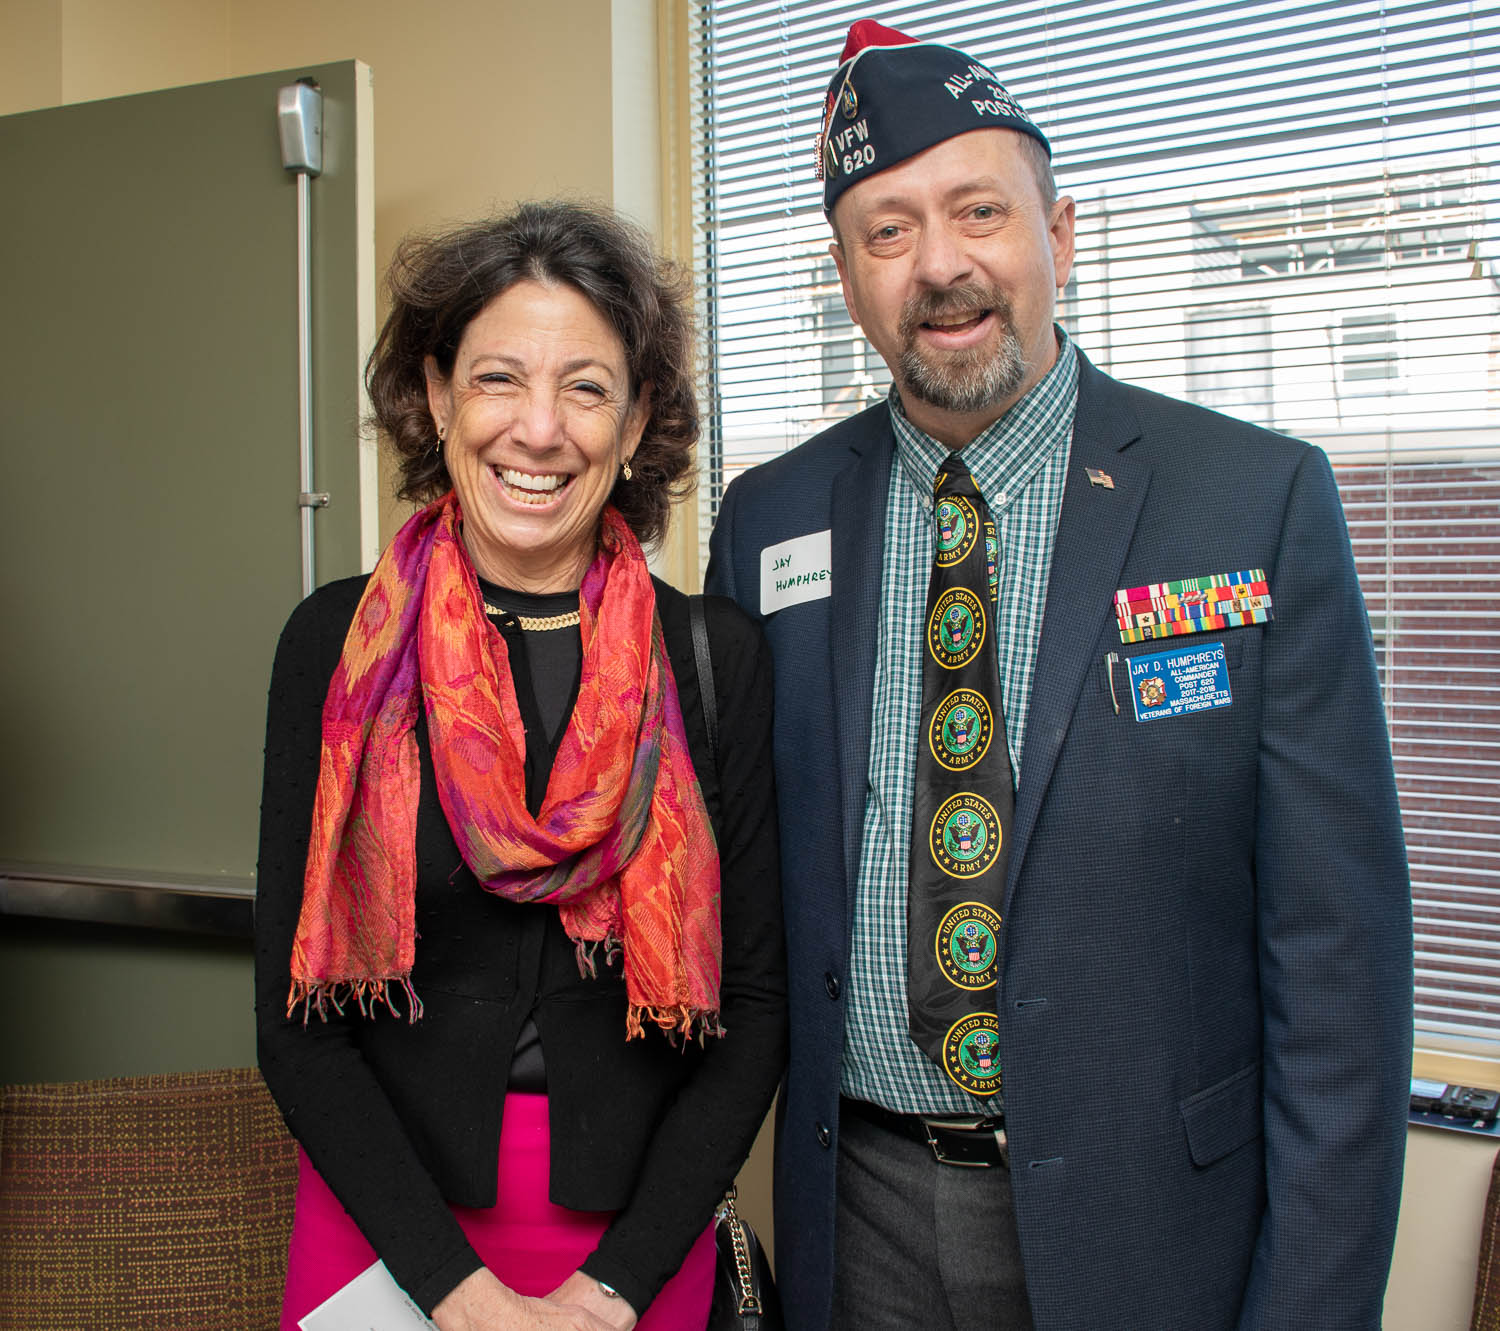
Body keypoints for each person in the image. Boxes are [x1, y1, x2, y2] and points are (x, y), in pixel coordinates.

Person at [706, 19, 1411, 1331]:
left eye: (981, 210)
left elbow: (1338, 972)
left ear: (1062, 234)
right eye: (888, 230)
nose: (943, 264)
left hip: (1154, 1232)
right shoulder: (770, 521)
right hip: (856, 1218)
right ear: (845, 278)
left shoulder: (1248, 503)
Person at [256, 200, 786, 1331]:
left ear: (638, 419)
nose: (538, 429)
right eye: (499, 378)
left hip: (638, 1236)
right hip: (385, 1229)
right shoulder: (333, 646)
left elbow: (753, 1007)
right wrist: (453, 1288)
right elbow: (293, 1018)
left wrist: (618, 1285)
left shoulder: (713, 656)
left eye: (587, 388)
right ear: (439, 395)